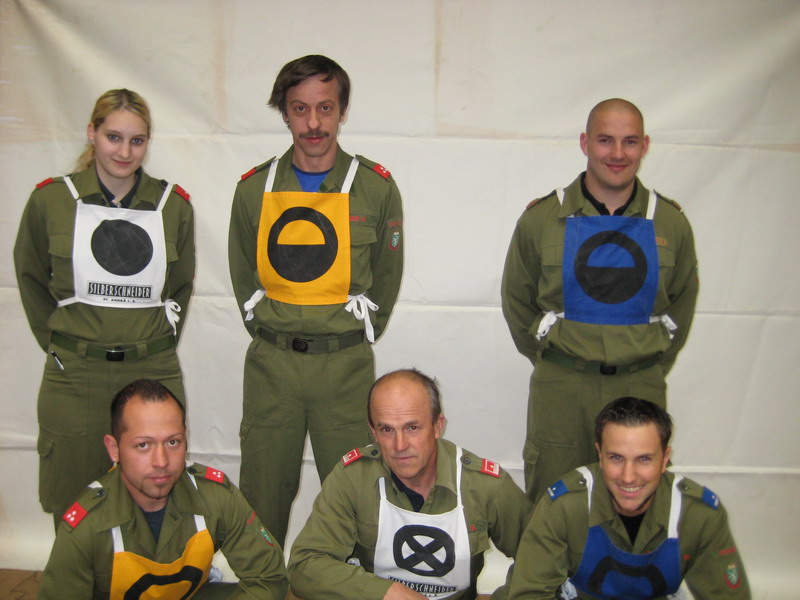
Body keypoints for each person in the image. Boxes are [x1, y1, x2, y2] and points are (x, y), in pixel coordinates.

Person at [228, 54, 404, 546]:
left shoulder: (375, 188)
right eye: (299, 109)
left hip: (344, 369)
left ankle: (352, 581)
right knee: (262, 492)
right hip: (272, 367)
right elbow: (243, 275)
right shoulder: (254, 190)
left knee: (356, 496)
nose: (313, 123)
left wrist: (354, 333)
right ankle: (262, 580)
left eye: (325, 108)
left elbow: (386, 279)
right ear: (284, 113)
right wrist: (273, 327)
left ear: (342, 111)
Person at [501, 98, 698, 503]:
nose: (618, 153)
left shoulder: (670, 223)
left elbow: (681, 305)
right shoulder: (542, 220)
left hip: (640, 384)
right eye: (605, 140)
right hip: (562, 387)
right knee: (554, 503)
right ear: (585, 143)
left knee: (636, 503)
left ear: (645, 146)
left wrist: (647, 363)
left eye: (630, 141)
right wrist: (553, 357)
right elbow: (517, 300)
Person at [13, 89, 195, 522]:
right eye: (114, 137)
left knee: (154, 494)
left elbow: (180, 288)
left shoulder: (173, 206)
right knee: (71, 500)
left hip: (151, 369)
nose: (124, 152)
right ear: (91, 133)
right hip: (75, 376)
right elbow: (31, 278)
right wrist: (64, 342)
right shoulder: (51, 201)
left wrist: (152, 345)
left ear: (148, 142)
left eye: (137, 140)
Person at [288, 369, 533, 600]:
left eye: (412, 427)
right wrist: (384, 592)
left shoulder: (485, 485)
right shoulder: (353, 478)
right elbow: (304, 565)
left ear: (438, 426)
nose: (400, 445)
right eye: (387, 429)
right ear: (373, 432)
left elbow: (542, 559)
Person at [38, 378, 288, 599]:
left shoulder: (216, 497)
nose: (161, 461)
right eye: (143, 445)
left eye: (173, 442)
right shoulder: (86, 526)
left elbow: (269, 579)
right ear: (114, 449)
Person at [508, 397, 750, 600]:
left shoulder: (698, 514)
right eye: (616, 458)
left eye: (644, 459)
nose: (628, 476)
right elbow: (529, 594)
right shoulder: (564, 506)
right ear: (600, 455)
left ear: (665, 459)